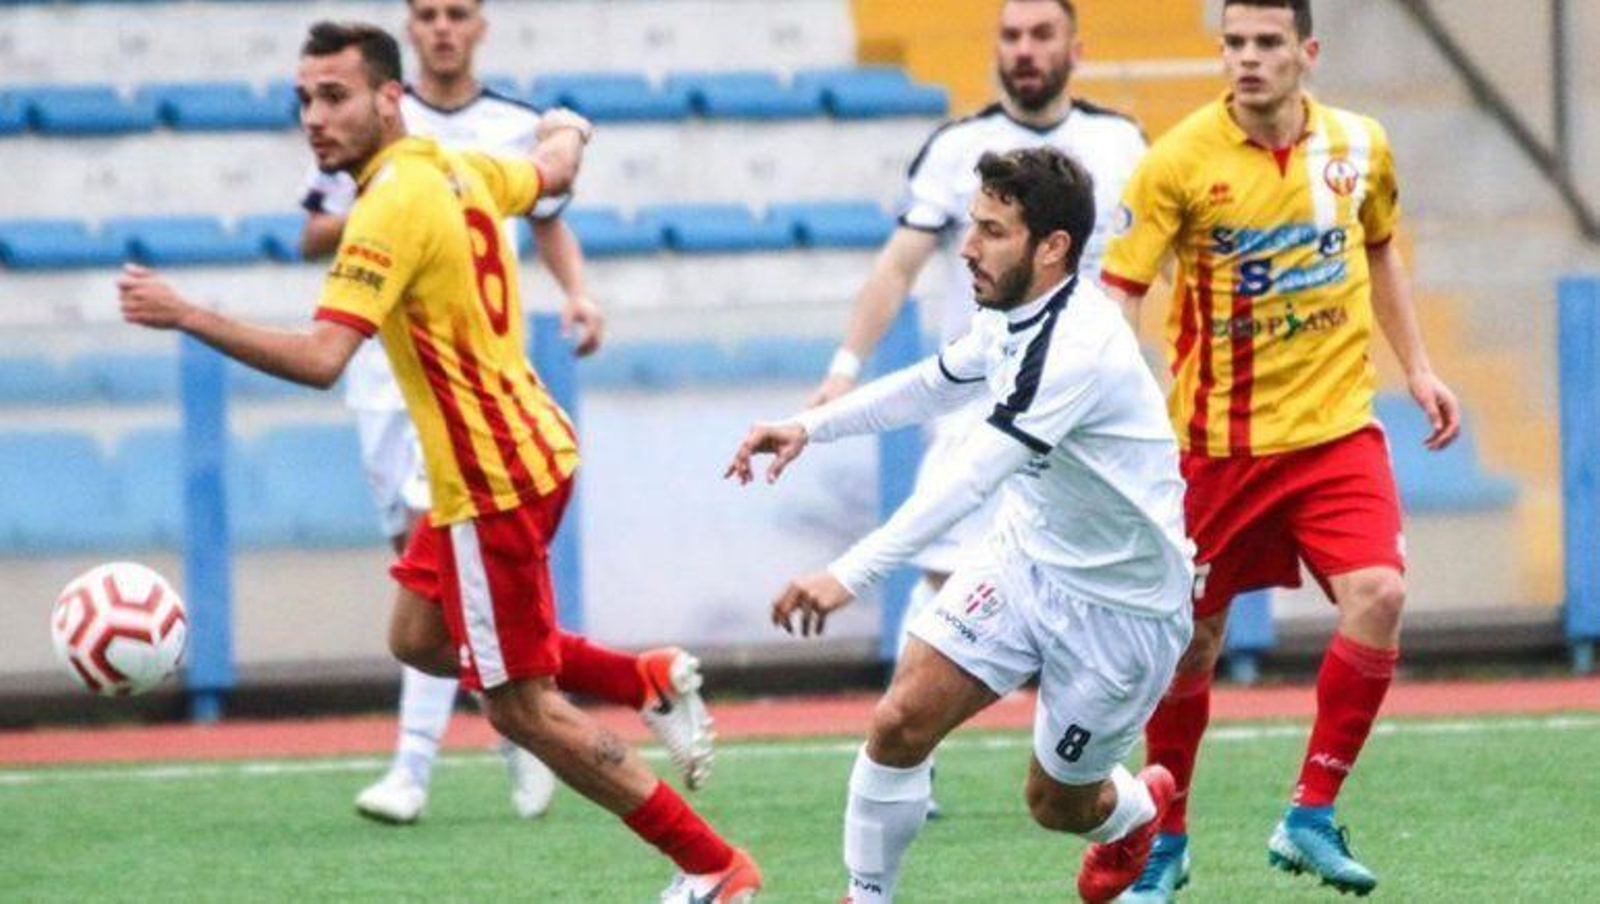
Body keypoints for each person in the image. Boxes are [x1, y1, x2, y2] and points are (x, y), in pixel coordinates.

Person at [120, 23, 759, 901]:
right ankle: (639, 677)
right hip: (524, 451)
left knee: (521, 710)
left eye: (335, 96)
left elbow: (320, 359)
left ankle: (713, 867)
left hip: (490, 481)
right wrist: (570, 124)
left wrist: (189, 314)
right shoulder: (456, 163)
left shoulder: (387, 206)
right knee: (417, 638)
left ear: (390, 97)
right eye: (304, 98)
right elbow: (556, 171)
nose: (315, 116)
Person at [728, 147, 1193, 903]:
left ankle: (1132, 815)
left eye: (992, 231)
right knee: (901, 721)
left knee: (1055, 805)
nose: (967, 248)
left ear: (1052, 249)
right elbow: (928, 385)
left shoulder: (1079, 347)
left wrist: (849, 574)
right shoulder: (1011, 316)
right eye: (970, 226)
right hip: (1026, 561)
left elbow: (971, 476)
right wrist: (807, 426)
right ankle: (866, 897)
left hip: (1123, 610)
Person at [295, 0, 713, 827]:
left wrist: (581, 293)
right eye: (428, 13)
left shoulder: (486, 132)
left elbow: (549, 208)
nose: (443, 27)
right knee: (425, 628)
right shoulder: (393, 149)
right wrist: (401, 212)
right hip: (392, 390)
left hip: (474, 422)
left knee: (495, 655)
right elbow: (315, 231)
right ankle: (622, 684)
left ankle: (453, 764)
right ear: (410, 31)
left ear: (480, 26)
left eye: (457, 13)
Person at [1099, 1, 1460, 898]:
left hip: (1338, 430)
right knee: (1192, 644)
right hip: (1218, 445)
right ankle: (1167, 837)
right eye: (1234, 44)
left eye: (1266, 43)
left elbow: (1379, 251)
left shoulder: (1360, 146)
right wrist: (1127, 406)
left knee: (1380, 594)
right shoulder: (1176, 161)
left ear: (1307, 51)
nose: (1248, 59)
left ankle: (1309, 813)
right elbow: (1121, 290)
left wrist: (1417, 369)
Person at [809, 0, 1147, 613]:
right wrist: (843, 368)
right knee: (952, 588)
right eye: (1011, 36)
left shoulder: (1123, 145)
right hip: (981, 399)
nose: (1024, 49)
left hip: (1090, 414)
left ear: (1076, 49)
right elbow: (896, 268)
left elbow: (1153, 270)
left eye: (1042, 34)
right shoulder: (957, 147)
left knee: (1095, 603)